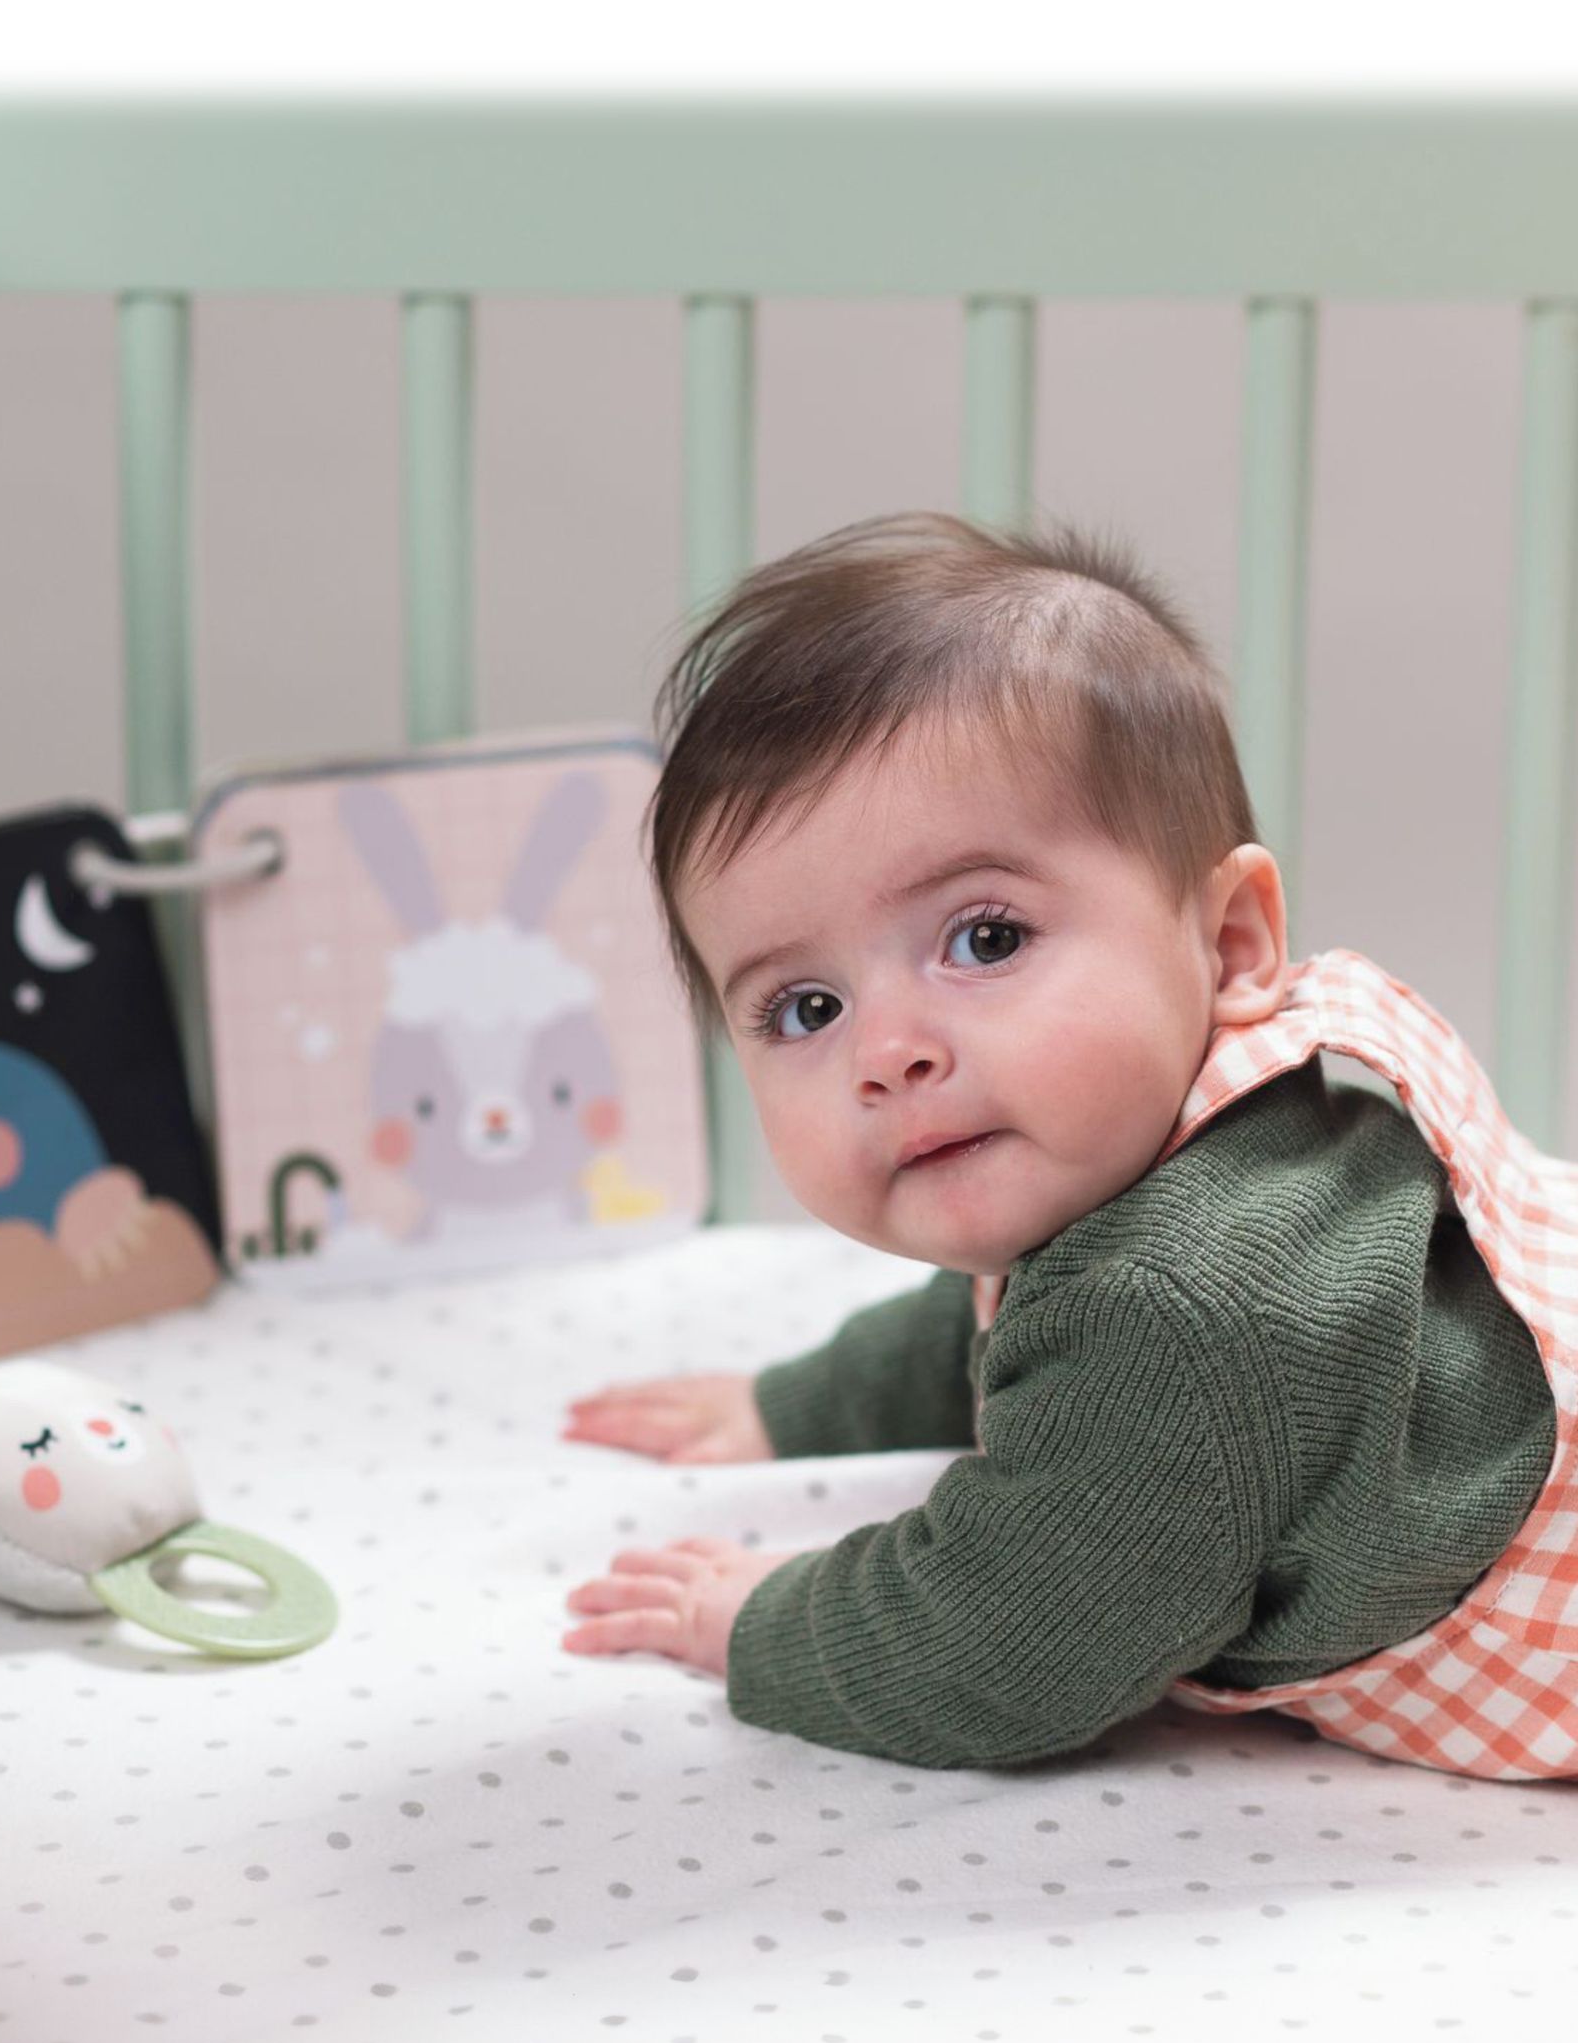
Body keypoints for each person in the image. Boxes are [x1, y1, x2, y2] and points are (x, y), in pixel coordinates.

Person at [559, 511, 1578, 1782]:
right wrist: (800, 1404)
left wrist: (754, 1617)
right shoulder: (1180, 1161)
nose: (888, 1050)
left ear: (1229, 945)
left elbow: (993, 1650)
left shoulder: (1178, 1310)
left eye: (984, 939)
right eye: (805, 1009)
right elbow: (1002, 1314)